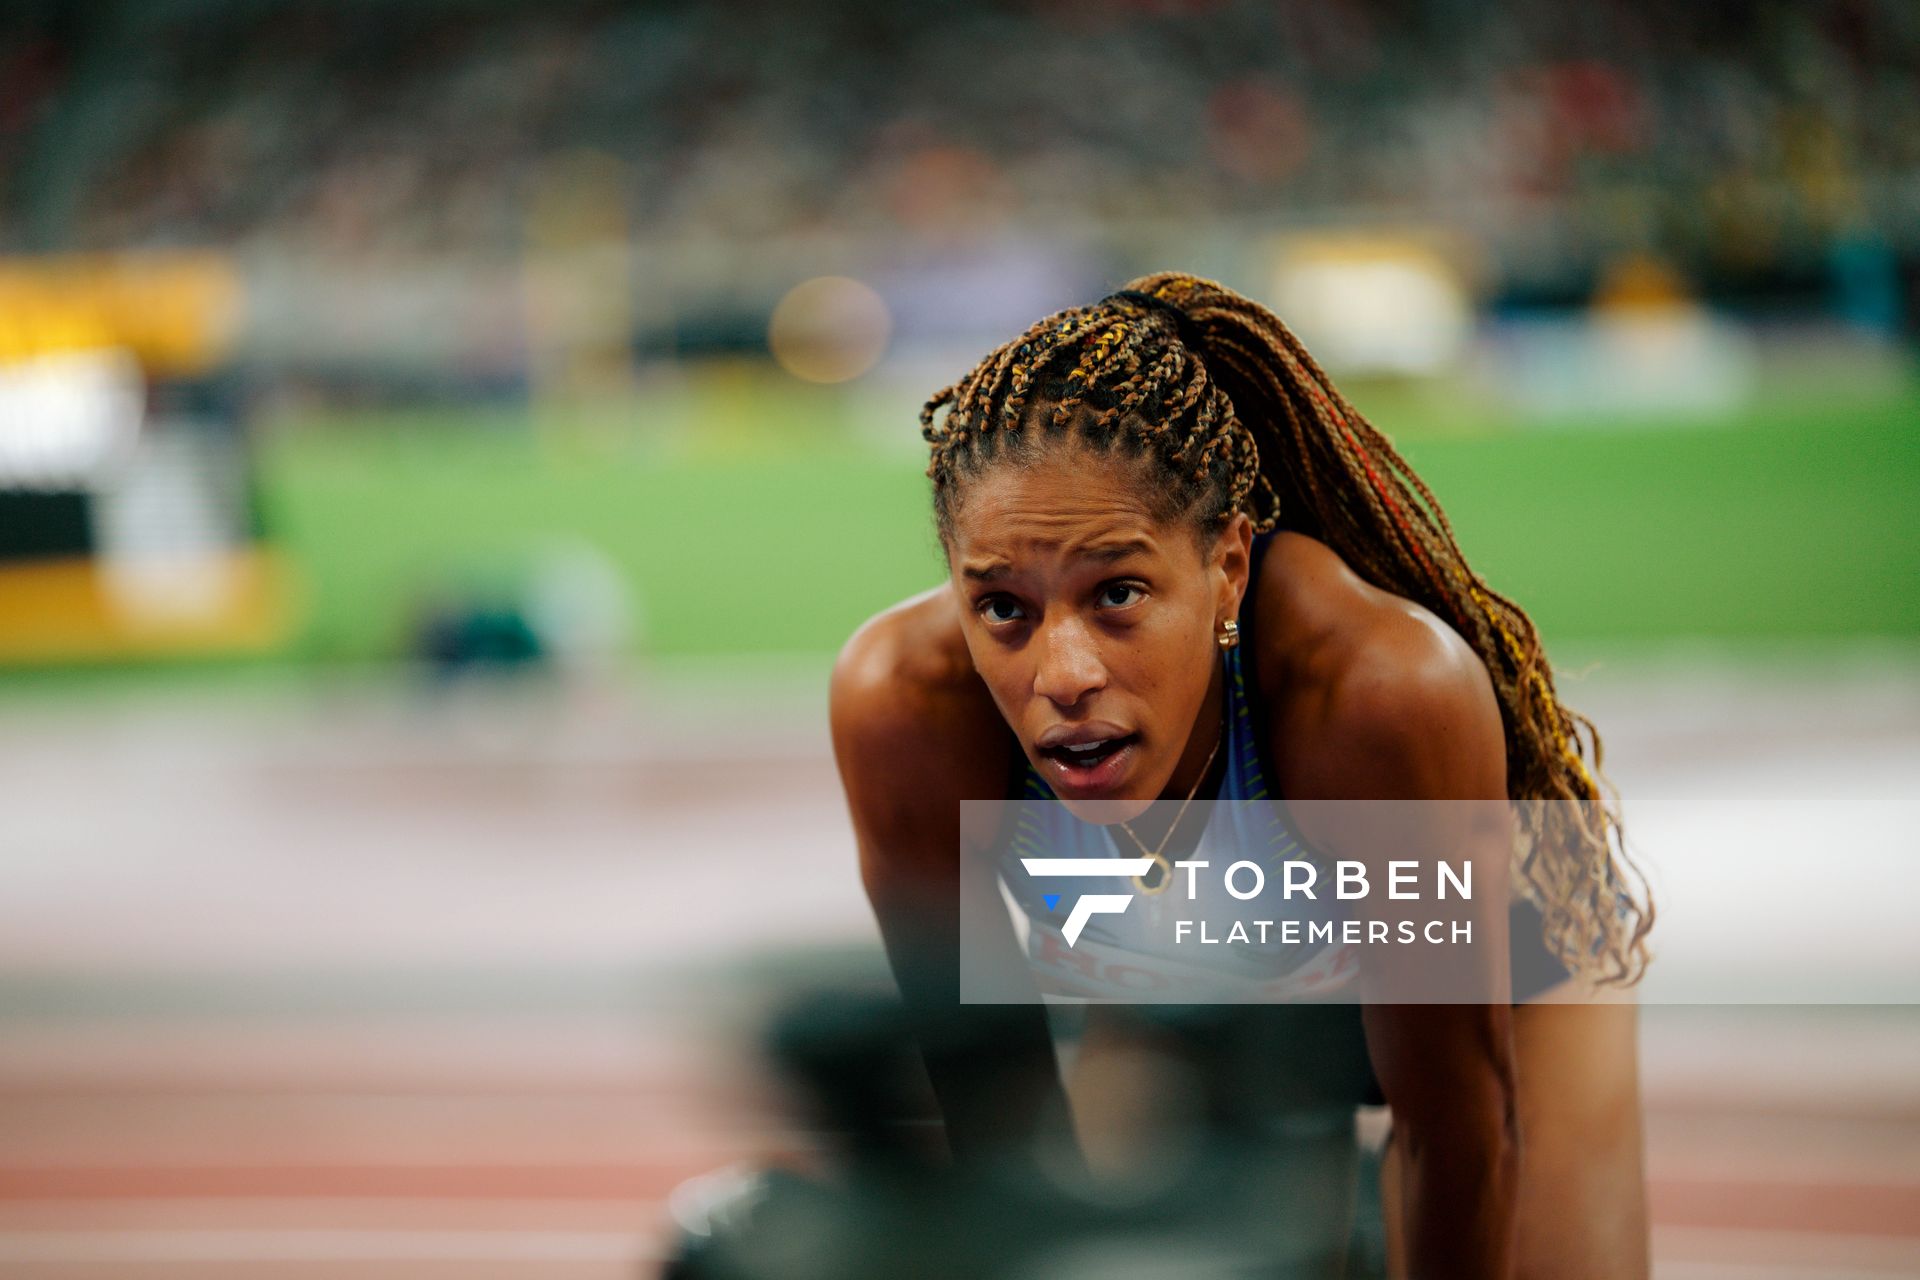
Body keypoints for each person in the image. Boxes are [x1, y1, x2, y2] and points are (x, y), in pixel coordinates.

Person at [830, 272, 1655, 1278]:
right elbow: (994, 1143)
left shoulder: (1377, 694)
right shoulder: (906, 706)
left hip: (1506, 997)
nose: (1064, 675)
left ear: (1227, 567)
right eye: (1003, 606)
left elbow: (1456, 1132)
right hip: (1196, 1004)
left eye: (1119, 592)